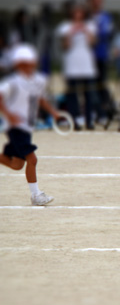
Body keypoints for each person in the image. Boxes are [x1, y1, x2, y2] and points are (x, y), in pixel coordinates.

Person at [0, 45, 61, 206]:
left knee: (17, 164)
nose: (29, 66)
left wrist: (53, 113)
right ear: (18, 65)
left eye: (31, 63)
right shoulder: (12, 82)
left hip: (26, 127)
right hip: (16, 128)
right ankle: (36, 195)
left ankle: (36, 195)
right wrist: (9, 115)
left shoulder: (37, 81)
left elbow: (40, 99)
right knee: (32, 159)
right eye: (25, 64)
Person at [58, 2, 98, 131]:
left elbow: (92, 42)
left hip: (86, 63)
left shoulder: (90, 25)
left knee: (88, 94)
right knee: (72, 94)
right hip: (72, 64)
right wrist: (71, 32)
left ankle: (89, 120)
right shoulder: (65, 26)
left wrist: (85, 30)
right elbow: (65, 46)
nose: (78, 14)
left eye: (80, 12)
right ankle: (74, 120)